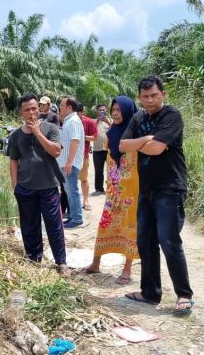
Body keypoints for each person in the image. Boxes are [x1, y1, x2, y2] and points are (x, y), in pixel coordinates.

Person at [120, 76, 194, 316]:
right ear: (139, 97)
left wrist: (140, 144)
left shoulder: (172, 116)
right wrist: (145, 139)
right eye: (145, 96)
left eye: (154, 95)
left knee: (169, 240)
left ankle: (184, 294)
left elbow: (157, 148)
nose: (150, 100)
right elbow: (122, 145)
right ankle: (150, 292)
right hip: (146, 188)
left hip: (170, 186)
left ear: (163, 93)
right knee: (145, 241)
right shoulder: (138, 117)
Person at [8, 93, 68, 273]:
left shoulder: (51, 128)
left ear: (40, 109)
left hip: (48, 187)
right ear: (21, 113)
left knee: (54, 225)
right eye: (27, 109)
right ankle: (34, 259)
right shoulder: (15, 135)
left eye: (34, 108)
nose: (32, 112)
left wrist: (37, 132)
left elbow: (56, 151)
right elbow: (13, 161)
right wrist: (15, 186)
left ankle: (61, 262)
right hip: (25, 188)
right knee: (29, 226)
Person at [83, 96, 139, 284]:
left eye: (119, 110)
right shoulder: (112, 131)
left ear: (128, 111)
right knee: (106, 222)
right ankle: (96, 263)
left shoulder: (137, 132)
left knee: (129, 226)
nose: (115, 113)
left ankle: (127, 269)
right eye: (113, 109)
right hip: (114, 188)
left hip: (131, 190)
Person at [57, 96, 85, 228]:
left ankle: (77, 219)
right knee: (69, 190)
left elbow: (75, 141)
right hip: (66, 163)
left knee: (72, 190)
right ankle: (73, 216)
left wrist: (69, 161)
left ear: (69, 107)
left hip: (70, 164)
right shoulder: (69, 120)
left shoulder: (73, 121)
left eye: (62, 105)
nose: (60, 107)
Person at [79, 103, 98, 211]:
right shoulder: (67, 120)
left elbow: (95, 137)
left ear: (81, 112)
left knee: (83, 179)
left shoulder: (89, 121)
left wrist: (82, 136)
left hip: (83, 155)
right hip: (68, 156)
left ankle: (86, 201)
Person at [92, 104, 111, 196]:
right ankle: (99, 189)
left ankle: (111, 189)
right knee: (98, 170)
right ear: (97, 111)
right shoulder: (94, 121)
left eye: (103, 110)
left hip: (109, 150)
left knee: (111, 170)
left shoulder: (110, 121)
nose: (101, 112)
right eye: (100, 110)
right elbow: (91, 131)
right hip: (97, 149)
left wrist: (108, 122)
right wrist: (98, 121)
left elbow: (116, 129)